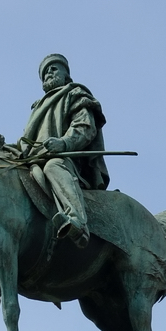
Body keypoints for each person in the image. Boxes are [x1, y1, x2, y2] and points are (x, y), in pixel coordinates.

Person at [20, 54, 109, 248]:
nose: (49, 74)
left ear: (66, 74)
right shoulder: (37, 107)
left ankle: (77, 221)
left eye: (54, 69)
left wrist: (64, 143)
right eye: (45, 72)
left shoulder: (74, 93)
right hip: (34, 160)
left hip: (67, 161)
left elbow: (85, 126)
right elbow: (26, 142)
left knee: (54, 166)